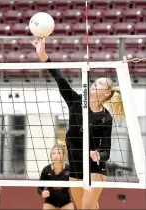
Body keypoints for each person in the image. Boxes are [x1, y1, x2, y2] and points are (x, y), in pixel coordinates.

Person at [31, 38, 124, 210]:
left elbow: (107, 151)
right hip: (75, 167)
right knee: (83, 207)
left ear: (106, 94)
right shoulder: (76, 101)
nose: (95, 84)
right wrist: (43, 55)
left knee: (87, 208)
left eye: (100, 84)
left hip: (95, 168)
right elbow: (59, 78)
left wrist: (99, 155)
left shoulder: (106, 117)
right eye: (95, 82)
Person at [37, 144, 74, 210]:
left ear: (63, 155)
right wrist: (42, 193)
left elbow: (78, 184)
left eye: (59, 153)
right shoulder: (46, 170)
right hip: (50, 202)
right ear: (51, 156)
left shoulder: (69, 169)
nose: (56, 155)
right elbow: (39, 188)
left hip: (66, 202)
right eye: (53, 153)